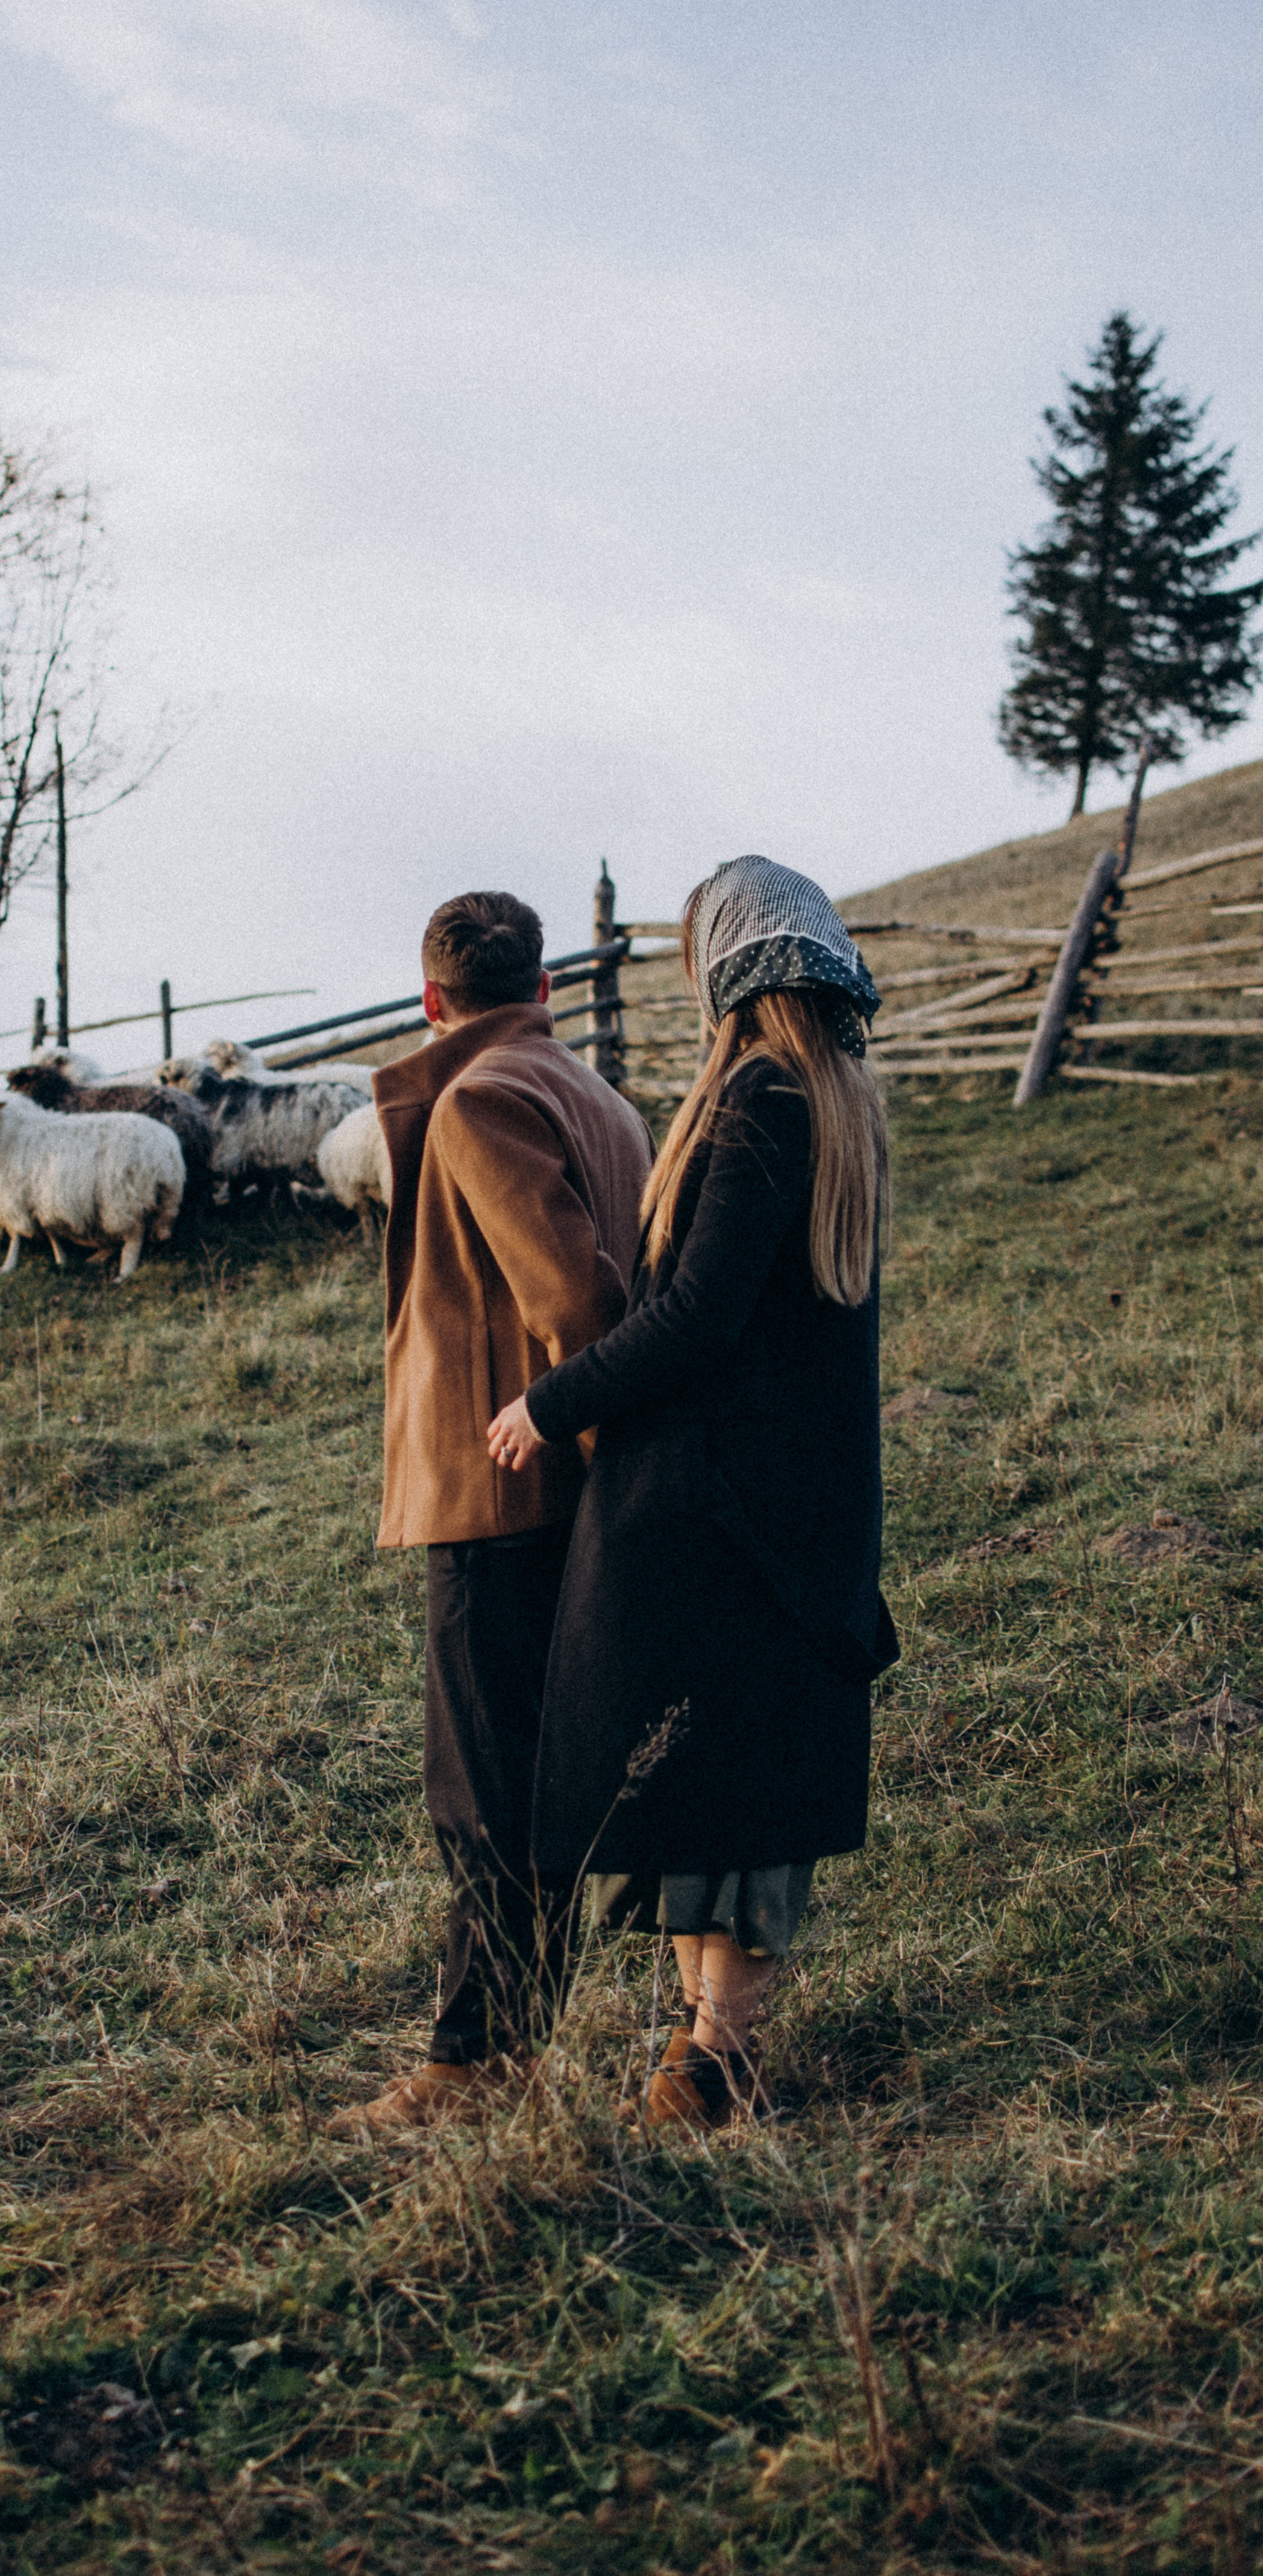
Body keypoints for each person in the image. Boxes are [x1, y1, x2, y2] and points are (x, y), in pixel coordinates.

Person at [487, 857, 898, 2130]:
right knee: (736, 1778)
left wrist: (549, 1402)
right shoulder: (836, 1099)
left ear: (722, 968)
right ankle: (706, 2048)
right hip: (790, 1496)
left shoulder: (764, 1099)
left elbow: (700, 1317)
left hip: (721, 1500)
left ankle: (711, 2057)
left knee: (713, 1779)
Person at [339, 890, 654, 2135]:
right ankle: (508, 2041)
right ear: (544, 986)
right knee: (531, 1776)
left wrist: (587, 1435)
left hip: (500, 1485)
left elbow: (577, 1301)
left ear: (431, 1001)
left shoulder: (477, 1102)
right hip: (554, 1482)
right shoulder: (598, 1096)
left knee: (482, 1791)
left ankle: (471, 2063)